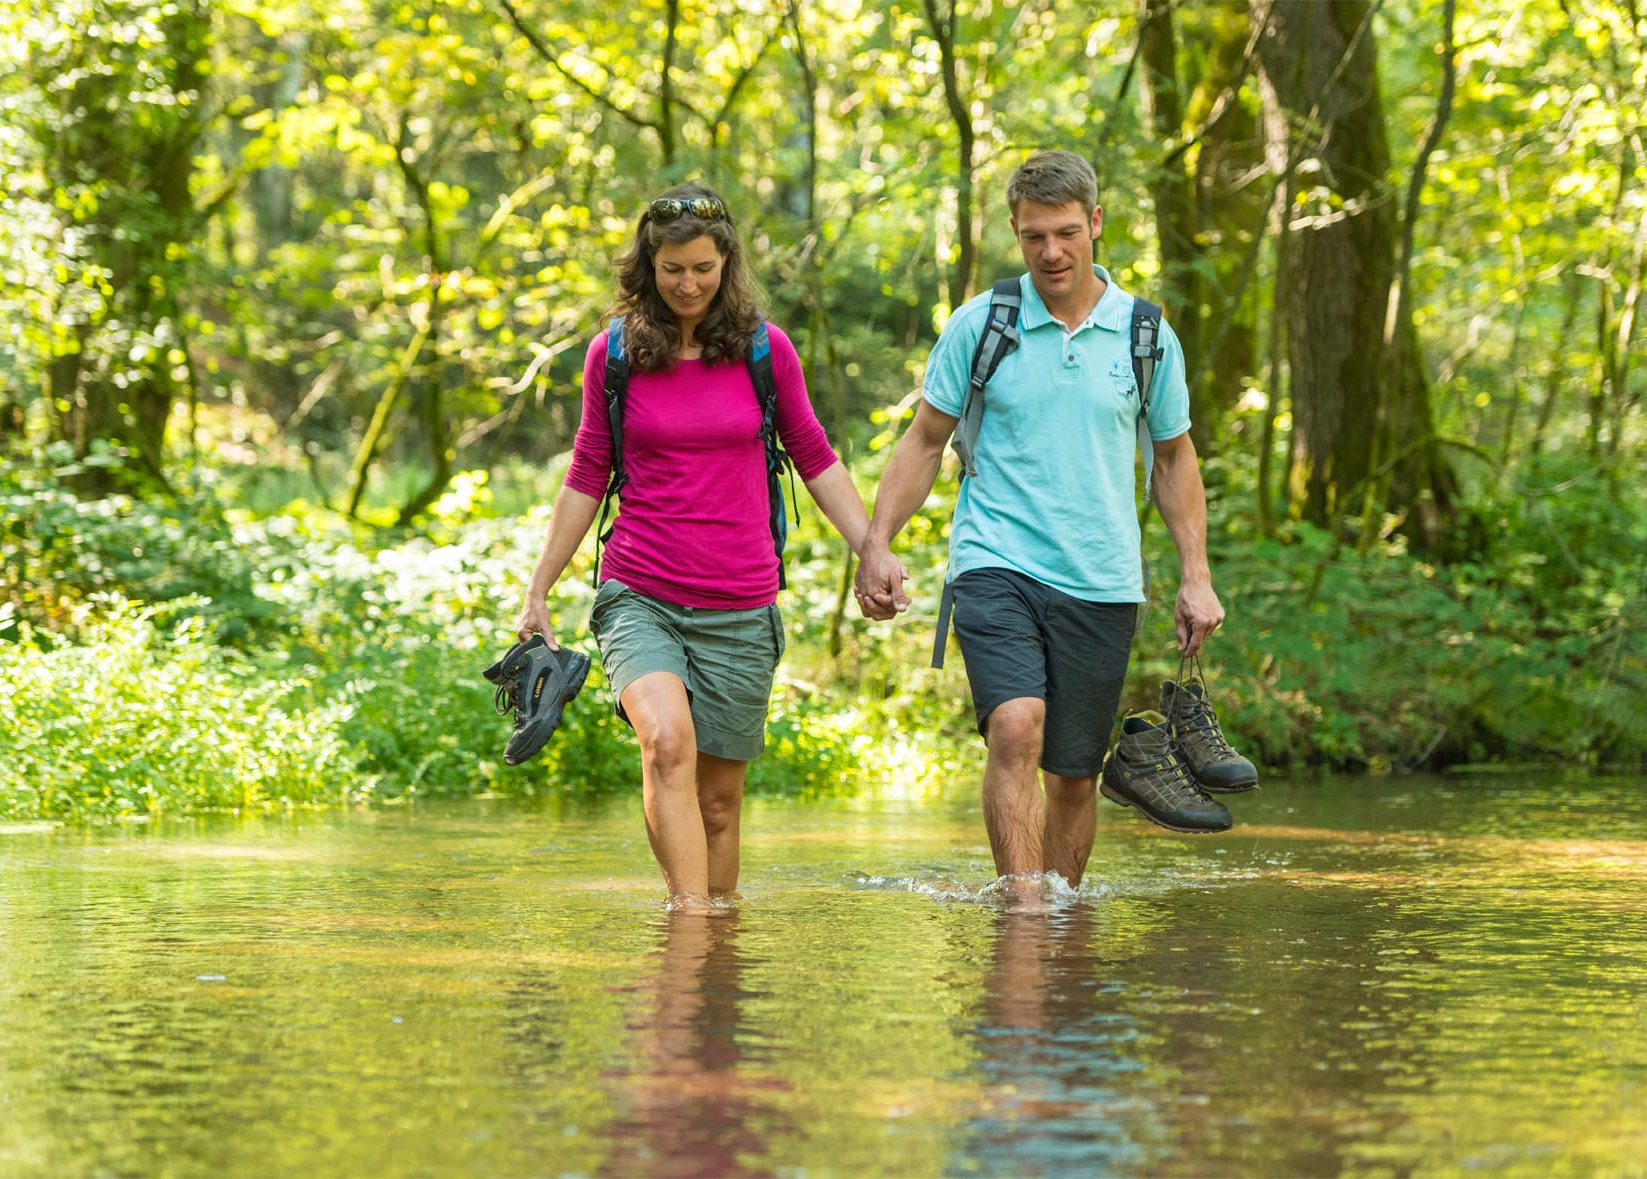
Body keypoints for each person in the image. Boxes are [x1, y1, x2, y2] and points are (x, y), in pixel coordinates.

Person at [853, 150, 1229, 902]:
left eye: (1064, 233)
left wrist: (1196, 576)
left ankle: (1059, 926)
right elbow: (926, 440)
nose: (1051, 252)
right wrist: (876, 544)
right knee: (1017, 724)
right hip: (997, 561)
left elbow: (1173, 457)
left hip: (1102, 576)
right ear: (1016, 233)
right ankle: (1024, 911)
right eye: (1033, 237)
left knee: (1073, 776)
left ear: (1095, 223)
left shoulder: (1146, 334)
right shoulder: (983, 325)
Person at [513, 182, 873, 914]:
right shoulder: (612, 354)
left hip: (740, 602)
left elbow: (811, 450)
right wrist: (539, 587)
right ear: (649, 265)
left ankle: (712, 975)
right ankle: (690, 929)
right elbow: (588, 470)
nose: (688, 284)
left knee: (717, 805)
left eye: (703, 268)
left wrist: (872, 547)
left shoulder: (765, 350)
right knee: (667, 743)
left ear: (726, 262)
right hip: (639, 591)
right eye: (672, 268)